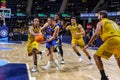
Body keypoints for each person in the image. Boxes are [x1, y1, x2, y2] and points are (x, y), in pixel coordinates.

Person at [83, 10, 120, 80]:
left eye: (98, 15)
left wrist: (88, 44)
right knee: (118, 59)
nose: (98, 17)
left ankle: (103, 77)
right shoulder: (113, 22)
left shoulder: (101, 22)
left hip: (112, 40)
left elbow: (96, 34)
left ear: (101, 16)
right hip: (119, 40)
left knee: (96, 56)